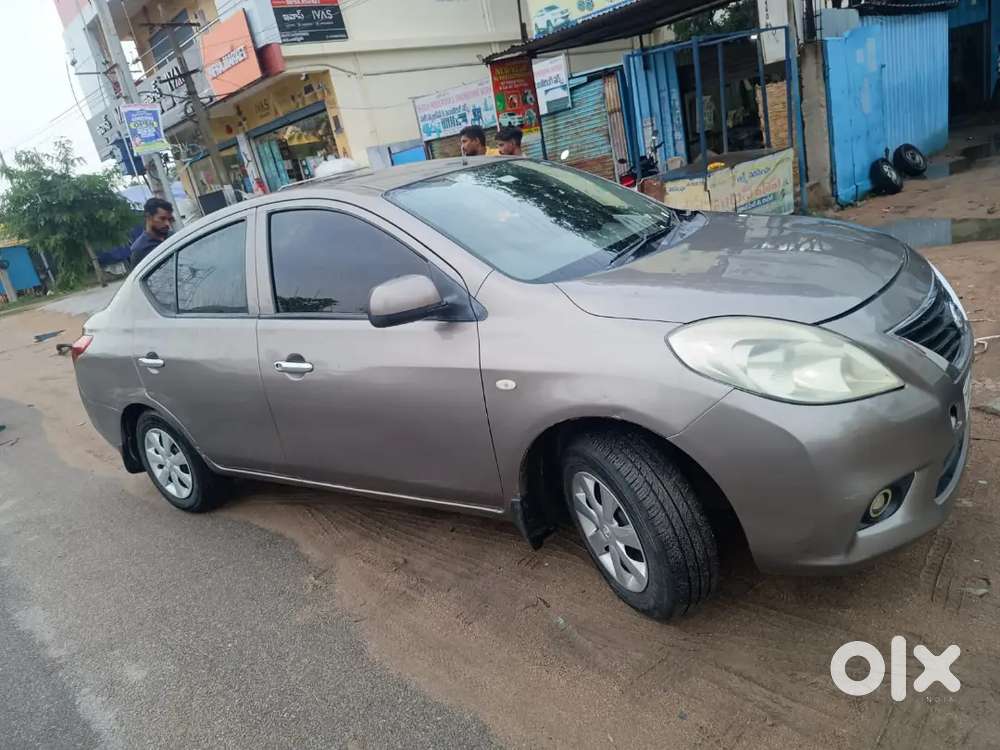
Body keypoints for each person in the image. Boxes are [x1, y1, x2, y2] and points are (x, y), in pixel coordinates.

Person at [130, 198, 174, 267]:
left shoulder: (174, 237)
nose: (167, 224)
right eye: (162, 219)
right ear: (148, 217)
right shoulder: (140, 250)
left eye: (169, 219)